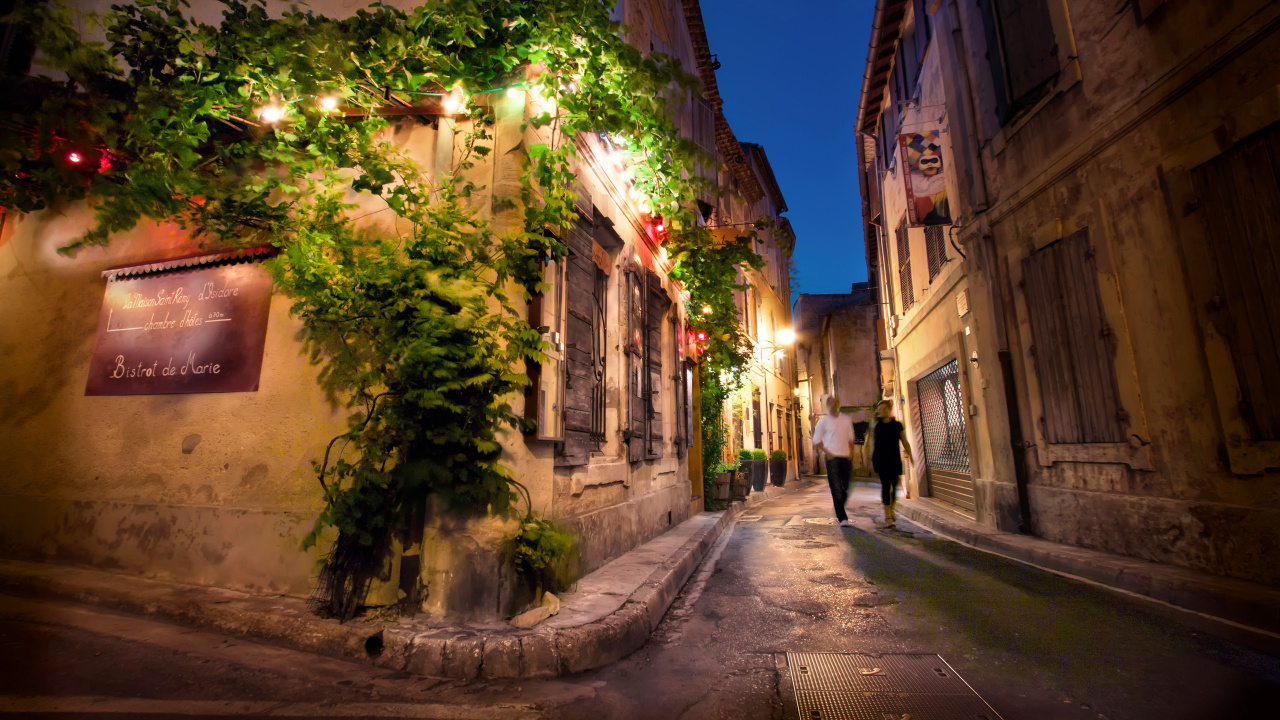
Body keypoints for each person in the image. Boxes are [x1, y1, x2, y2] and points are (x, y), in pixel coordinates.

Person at [864, 399, 913, 529]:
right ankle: (888, 517)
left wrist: (911, 455)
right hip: (880, 460)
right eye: (880, 409)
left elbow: (904, 440)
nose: (882, 411)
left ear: (889, 410)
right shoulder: (875, 425)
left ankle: (891, 509)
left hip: (894, 459)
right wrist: (867, 459)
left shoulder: (897, 425)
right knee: (886, 485)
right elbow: (868, 442)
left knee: (895, 486)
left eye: (885, 409)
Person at [811, 395, 856, 527]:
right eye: (829, 403)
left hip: (845, 457)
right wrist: (828, 452)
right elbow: (816, 440)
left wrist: (852, 454)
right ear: (827, 405)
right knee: (836, 487)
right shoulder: (823, 421)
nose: (832, 405)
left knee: (845, 487)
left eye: (834, 403)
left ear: (838, 404)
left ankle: (839, 505)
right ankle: (842, 517)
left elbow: (851, 439)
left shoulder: (846, 420)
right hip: (832, 458)